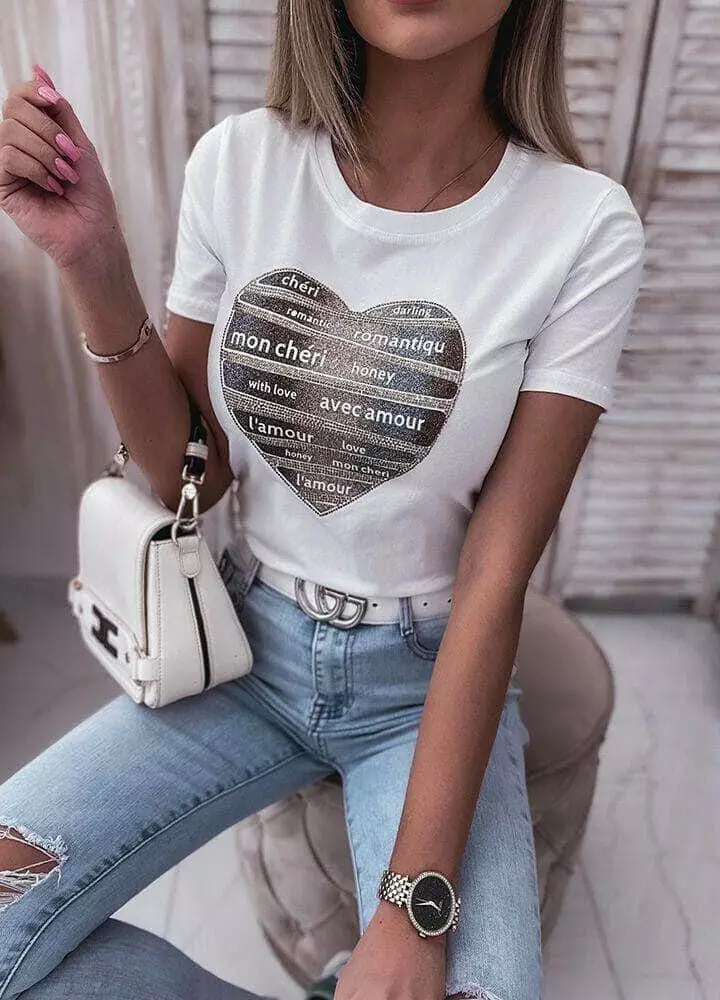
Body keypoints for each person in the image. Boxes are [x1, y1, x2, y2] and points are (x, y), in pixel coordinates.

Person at [0, 1, 645, 998]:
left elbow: (498, 566)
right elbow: (194, 474)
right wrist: (94, 261)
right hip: (243, 648)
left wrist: (412, 908)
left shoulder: (583, 226)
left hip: (424, 678)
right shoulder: (240, 164)